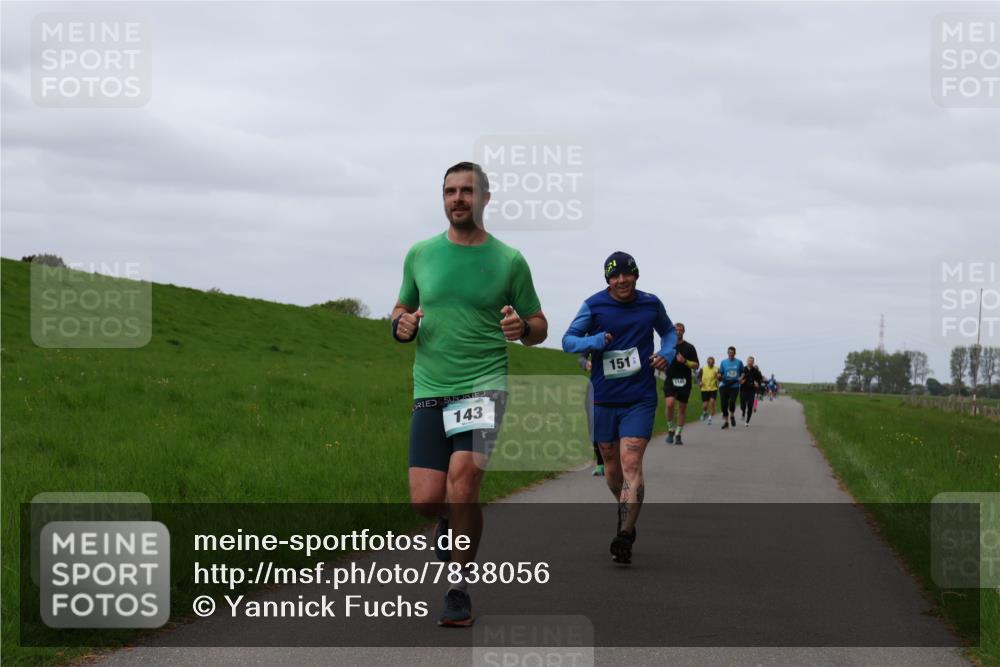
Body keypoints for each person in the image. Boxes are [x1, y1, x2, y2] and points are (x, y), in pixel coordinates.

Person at [392, 162, 548, 627]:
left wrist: (523, 329)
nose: (458, 198)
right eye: (450, 191)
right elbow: (402, 306)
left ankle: (458, 589)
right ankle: (444, 522)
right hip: (431, 386)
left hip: (483, 386)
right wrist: (400, 326)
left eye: (467, 191)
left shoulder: (509, 260)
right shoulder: (420, 254)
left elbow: (539, 324)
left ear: (485, 198)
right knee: (425, 499)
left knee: (464, 482)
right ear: (443, 198)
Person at [562, 252, 677, 564]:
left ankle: (626, 532)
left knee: (631, 463)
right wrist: (594, 341)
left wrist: (667, 351)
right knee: (611, 467)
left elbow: (668, 331)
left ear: (636, 275)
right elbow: (568, 341)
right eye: (614, 276)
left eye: (627, 274)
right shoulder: (594, 305)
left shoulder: (651, 303)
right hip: (604, 398)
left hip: (639, 398)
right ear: (608, 280)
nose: (621, 280)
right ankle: (626, 508)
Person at [663, 323, 699, 445]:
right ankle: (670, 429)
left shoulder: (689, 347)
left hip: (684, 380)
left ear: (683, 332)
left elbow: (696, 365)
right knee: (670, 403)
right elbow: (663, 358)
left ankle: (678, 433)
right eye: (676, 330)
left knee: (682, 408)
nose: (678, 332)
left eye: (680, 330)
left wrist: (685, 361)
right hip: (670, 378)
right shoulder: (668, 345)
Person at [579, 353, 604, 476]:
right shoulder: (592, 335)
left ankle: (618, 459)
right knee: (593, 421)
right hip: (595, 384)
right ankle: (600, 462)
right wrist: (586, 363)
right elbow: (581, 357)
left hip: (619, 384)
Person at [717, 346, 744, 430]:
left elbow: (743, 372)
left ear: (734, 353)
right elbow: (720, 373)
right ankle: (726, 422)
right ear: (727, 353)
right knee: (723, 404)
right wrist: (719, 376)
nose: (730, 354)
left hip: (734, 385)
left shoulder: (739, 362)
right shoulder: (723, 362)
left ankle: (732, 415)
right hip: (724, 384)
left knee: (732, 402)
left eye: (732, 352)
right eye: (729, 352)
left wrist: (741, 377)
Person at [740, 356, 765, 426]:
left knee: (750, 406)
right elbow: (739, 378)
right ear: (747, 361)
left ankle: (747, 421)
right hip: (743, 389)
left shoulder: (756, 371)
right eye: (749, 361)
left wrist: (757, 383)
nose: (750, 362)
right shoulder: (743, 369)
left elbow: (760, 379)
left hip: (751, 390)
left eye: (751, 361)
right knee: (743, 405)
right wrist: (740, 381)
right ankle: (743, 412)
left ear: (753, 362)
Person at [699, 356, 720, 425]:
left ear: (714, 363)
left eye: (712, 362)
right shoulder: (703, 368)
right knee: (705, 405)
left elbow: (719, 378)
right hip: (704, 389)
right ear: (707, 362)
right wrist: (700, 382)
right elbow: (698, 376)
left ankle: (710, 418)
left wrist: (719, 377)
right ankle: (705, 413)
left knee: (712, 403)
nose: (710, 363)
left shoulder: (716, 369)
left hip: (713, 389)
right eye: (709, 362)